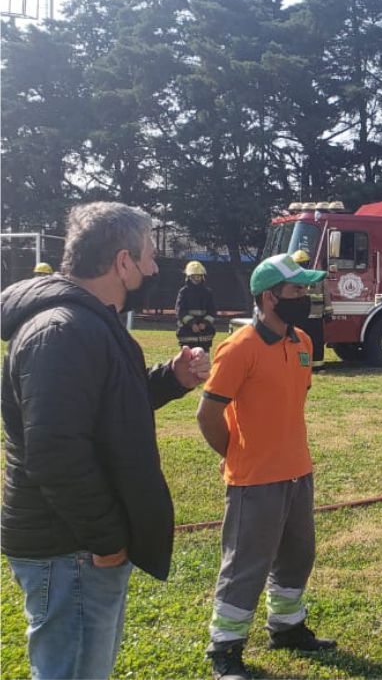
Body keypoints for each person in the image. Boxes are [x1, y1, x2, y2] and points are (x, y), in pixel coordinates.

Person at [1, 201, 210, 679]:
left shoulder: (87, 323)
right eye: (150, 256)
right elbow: (55, 453)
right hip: (70, 546)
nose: (155, 268)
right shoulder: (62, 331)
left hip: (80, 545)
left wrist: (171, 378)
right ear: (122, 262)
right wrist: (107, 540)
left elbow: (106, 404)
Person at [196, 252, 335, 680]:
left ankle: (287, 628)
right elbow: (207, 415)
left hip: (298, 472)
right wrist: (238, 455)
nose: (306, 297)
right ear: (270, 297)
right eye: (298, 290)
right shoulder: (239, 348)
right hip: (255, 479)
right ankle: (225, 647)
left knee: (298, 557)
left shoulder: (304, 344)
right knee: (245, 566)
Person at [291, 249, 326, 369]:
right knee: (315, 341)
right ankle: (315, 365)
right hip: (315, 315)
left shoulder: (292, 278)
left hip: (302, 316)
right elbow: (326, 295)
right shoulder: (317, 276)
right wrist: (328, 312)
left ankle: (306, 364)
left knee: (302, 341)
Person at [176, 260, 218, 351]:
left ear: (202, 277)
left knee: (204, 360)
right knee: (187, 360)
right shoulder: (184, 292)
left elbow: (212, 311)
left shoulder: (207, 293)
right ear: (189, 277)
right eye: (194, 276)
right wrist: (192, 324)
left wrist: (205, 323)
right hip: (187, 334)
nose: (197, 278)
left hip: (204, 335)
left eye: (198, 276)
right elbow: (180, 311)